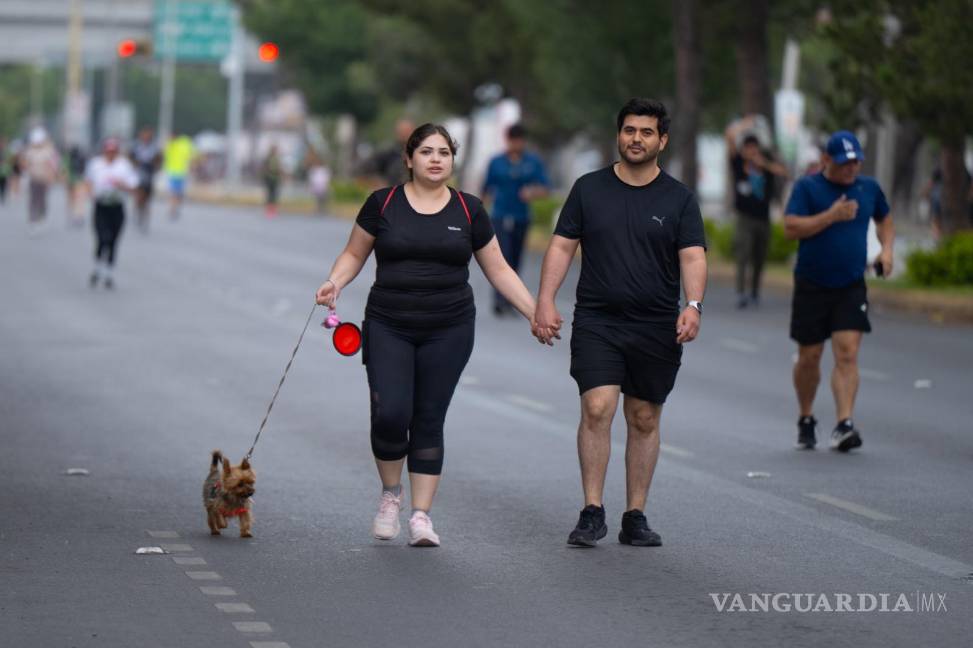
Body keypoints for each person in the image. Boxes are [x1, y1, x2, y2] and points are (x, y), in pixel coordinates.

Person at [314, 123, 537, 547]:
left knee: (430, 416)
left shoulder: (469, 210)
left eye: (444, 153)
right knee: (391, 413)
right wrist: (335, 282)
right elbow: (354, 253)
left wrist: (534, 313)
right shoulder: (384, 204)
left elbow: (499, 269)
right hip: (389, 324)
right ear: (409, 159)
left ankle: (421, 517)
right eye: (427, 152)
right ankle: (390, 496)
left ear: (453, 160)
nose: (436, 159)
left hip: (449, 328)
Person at [532, 98, 708, 548]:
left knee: (644, 417)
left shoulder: (678, 199)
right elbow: (560, 247)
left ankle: (636, 515)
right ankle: (592, 511)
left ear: (662, 141)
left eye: (646, 132)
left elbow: (692, 255)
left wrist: (693, 305)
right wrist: (545, 301)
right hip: (598, 319)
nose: (636, 138)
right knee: (597, 408)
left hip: (654, 323)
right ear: (619, 135)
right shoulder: (589, 189)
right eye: (629, 130)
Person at [783, 130, 894, 452]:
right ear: (827, 160)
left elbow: (885, 219)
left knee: (847, 352)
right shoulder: (808, 187)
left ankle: (844, 423)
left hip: (850, 285)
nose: (851, 168)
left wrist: (886, 251)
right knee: (810, 356)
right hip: (812, 284)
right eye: (845, 163)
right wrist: (831, 216)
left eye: (856, 162)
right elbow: (790, 228)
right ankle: (806, 418)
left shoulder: (868, 187)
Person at [482, 123, 550, 316]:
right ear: (508, 140)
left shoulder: (533, 162)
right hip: (500, 216)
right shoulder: (496, 162)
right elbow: (486, 189)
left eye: (519, 140)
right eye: (513, 140)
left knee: (517, 258)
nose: (516, 144)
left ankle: (511, 300)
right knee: (502, 257)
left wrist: (532, 192)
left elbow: (545, 188)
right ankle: (499, 300)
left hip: (522, 217)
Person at [725, 119, 788, 308]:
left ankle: (754, 291)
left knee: (759, 257)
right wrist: (747, 123)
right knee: (743, 255)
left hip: (763, 218)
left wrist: (764, 164)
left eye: (754, 148)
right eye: (748, 148)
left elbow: (784, 172)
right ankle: (741, 292)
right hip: (744, 217)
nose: (751, 151)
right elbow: (729, 135)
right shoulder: (738, 164)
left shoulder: (765, 166)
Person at [85, 137, 139, 289]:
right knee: (103, 238)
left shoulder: (124, 166)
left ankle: (109, 273)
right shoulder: (96, 164)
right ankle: (97, 268)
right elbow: (88, 181)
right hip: (101, 206)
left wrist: (122, 185)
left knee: (114, 240)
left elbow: (133, 186)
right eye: (108, 151)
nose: (111, 154)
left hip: (117, 206)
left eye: (113, 151)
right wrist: (90, 193)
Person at [21, 127, 60, 234]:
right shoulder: (29, 151)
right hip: (33, 178)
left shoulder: (48, 150)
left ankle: (41, 217)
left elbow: (52, 165)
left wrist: (51, 177)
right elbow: (25, 164)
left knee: (42, 199)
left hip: (44, 178)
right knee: (33, 199)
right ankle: (33, 219)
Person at [361, 118, 414, 187]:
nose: (404, 134)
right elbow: (366, 170)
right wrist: (379, 182)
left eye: (407, 131)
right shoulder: (387, 153)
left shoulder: (422, 153)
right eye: (402, 131)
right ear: (397, 132)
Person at [130, 127, 162, 232]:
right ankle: (138, 209)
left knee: (147, 198)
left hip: (149, 173)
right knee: (139, 195)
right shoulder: (136, 146)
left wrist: (156, 167)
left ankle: (144, 216)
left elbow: (159, 159)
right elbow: (130, 157)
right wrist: (134, 165)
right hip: (138, 173)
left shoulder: (154, 147)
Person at [163, 131, 194, 219]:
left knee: (179, 193)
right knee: (174, 192)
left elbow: (191, 154)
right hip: (172, 172)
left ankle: (175, 206)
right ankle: (173, 208)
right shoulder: (170, 144)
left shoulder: (183, 144)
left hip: (182, 172)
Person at [66, 146, 88, 226]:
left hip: (74, 180)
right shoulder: (81, 158)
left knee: (74, 200)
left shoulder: (69, 158)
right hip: (77, 180)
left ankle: (75, 215)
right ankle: (77, 215)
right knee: (78, 200)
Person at [261, 144, 283, 218]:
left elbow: (279, 169)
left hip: (275, 179)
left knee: (274, 194)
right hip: (269, 178)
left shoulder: (277, 159)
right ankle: (269, 210)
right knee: (269, 194)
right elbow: (265, 168)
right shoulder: (268, 158)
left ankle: (273, 210)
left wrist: (281, 176)